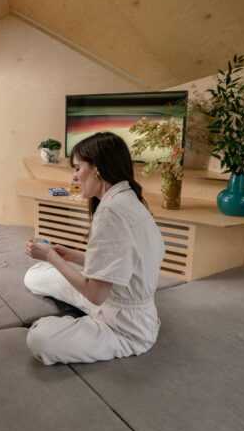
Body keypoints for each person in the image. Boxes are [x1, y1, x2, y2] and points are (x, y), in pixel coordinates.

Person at [23, 132, 164, 365]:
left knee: (39, 338)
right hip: (114, 298)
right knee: (34, 276)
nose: (74, 176)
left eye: (77, 168)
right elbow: (121, 260)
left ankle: (76, 327)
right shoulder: (127, 199)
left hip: (124, 327)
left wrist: (51, 257)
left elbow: (96, 295)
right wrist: (72, 256)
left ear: (97, 169)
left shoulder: (111, 212)